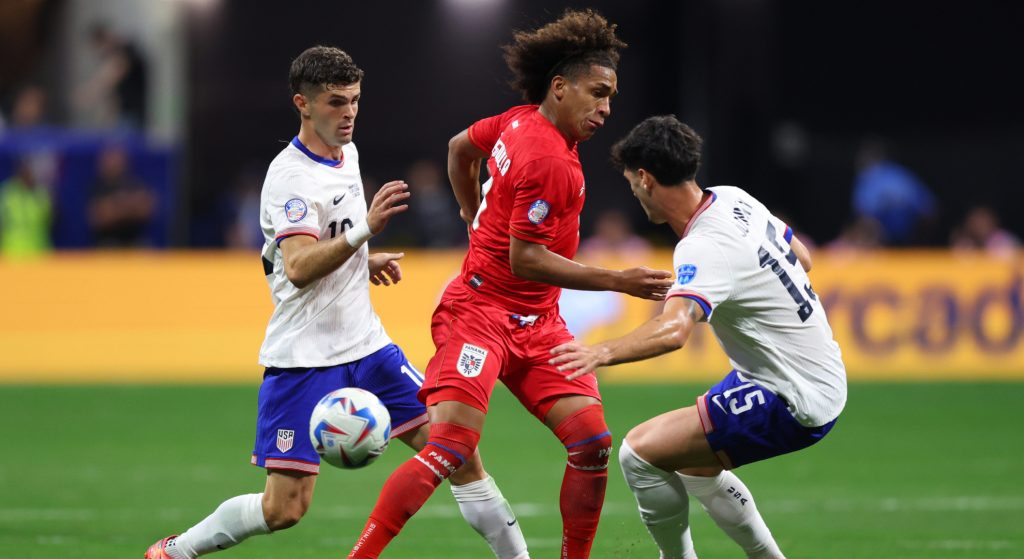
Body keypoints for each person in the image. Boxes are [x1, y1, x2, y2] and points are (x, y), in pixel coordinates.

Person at [145, 46, 528, 559]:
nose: (348, 113)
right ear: (302, 103)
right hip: (304, 359)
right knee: (284, 509)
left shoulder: (346, 152)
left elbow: (334, 238)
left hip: (368, 348)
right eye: (335, 102)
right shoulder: (290, 179)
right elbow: (299, 267)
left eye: (354, 101)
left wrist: (361, 260)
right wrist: (367, 230)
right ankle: (174, 551)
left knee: (460, 452)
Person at [347, 10, 673, 558]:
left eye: (611, 96)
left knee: (591, 441)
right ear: (560, 87)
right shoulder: (549, 159)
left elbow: (458, 148)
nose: (606, 108)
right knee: (448, 450)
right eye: (597, 93)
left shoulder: (520, 121)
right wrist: (619, 280)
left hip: (538, 324)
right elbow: (526, 260)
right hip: (479, 315)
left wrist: (470, 213)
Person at [550, 116, 847, 559]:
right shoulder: (732, 198)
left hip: (791, 394)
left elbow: (674, 331)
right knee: (692, 464)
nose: (632, 190)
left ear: (646, 178)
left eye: (632, 181)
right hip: (804, 373)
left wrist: (600, 351)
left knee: (638, 454)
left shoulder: (703, 246)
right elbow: (802, 258)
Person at [87, 145, 157, 247]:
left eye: (116, 159)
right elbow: (99, 217)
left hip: (135, 243)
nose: (113, 164)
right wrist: (128, 206)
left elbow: (146, 209)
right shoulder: (97, 188)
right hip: (107, 244)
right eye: (110, 159)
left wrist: (116, 206)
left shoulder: (135, 184)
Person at [0, 158, 52, 259]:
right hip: (11, 255)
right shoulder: (7, 193)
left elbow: (51, 220)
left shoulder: (42, 194)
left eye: (30, 170)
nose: (27, 173)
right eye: (24, 170)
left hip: (38, 255)